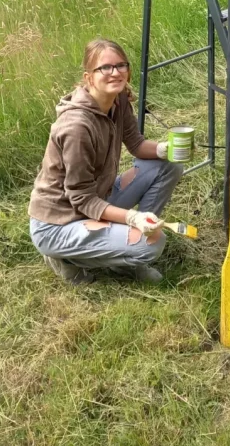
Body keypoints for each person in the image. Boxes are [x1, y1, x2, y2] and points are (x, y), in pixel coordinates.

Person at [28, 38, 184, 286]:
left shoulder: (118, 99)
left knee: (169, 166)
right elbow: (81, 198)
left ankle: (122, 251)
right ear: (89, 77)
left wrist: (167, 149)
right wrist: (133, 218)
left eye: (121, 65)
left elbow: (135, 144)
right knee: (152, 244)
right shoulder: (76, 127)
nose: (116, 72)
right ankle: (67, 257)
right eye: (105, 68)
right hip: (59, 222)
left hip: (97, 197)